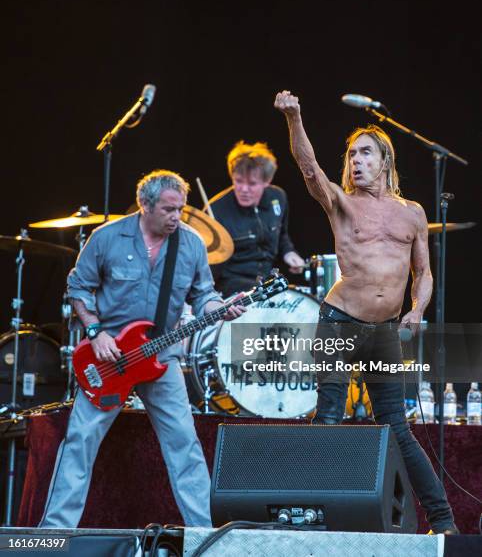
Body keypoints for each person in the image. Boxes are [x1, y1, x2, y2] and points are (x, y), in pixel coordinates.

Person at [274, 90, 458, 535]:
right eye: (352, 154)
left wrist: (417, 309)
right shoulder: (341, 202)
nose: (356, 161)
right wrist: (295, 118)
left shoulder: (412, 213)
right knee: (331, 417)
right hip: (339, 320)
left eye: (365, 153)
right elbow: (308, 167)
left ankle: (443, 520)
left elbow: (424, 273)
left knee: (397, 426)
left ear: (385, 162)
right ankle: (313, 520)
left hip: (385, 332)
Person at [39, 169, 244, 528]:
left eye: (180, 209)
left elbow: (204, 296)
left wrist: (222, 309)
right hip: (108, 357)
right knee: (80, 442)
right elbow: (78, 289)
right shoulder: (106, 238)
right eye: (168, 210)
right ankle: (53, 534)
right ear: (144, 206)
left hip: (160, 358)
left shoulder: (191, 243)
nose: (176, 217)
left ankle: (204, 536)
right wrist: (96, 332)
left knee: (185, 446)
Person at [209, 141, 305, 297]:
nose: (244, 189)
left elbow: (282, 235)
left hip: (267, 284)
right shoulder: (215, 210)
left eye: (252, 184)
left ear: (267, 182)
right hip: (231, 289)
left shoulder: (278, 197)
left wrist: (289, 253)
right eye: (238, 181)